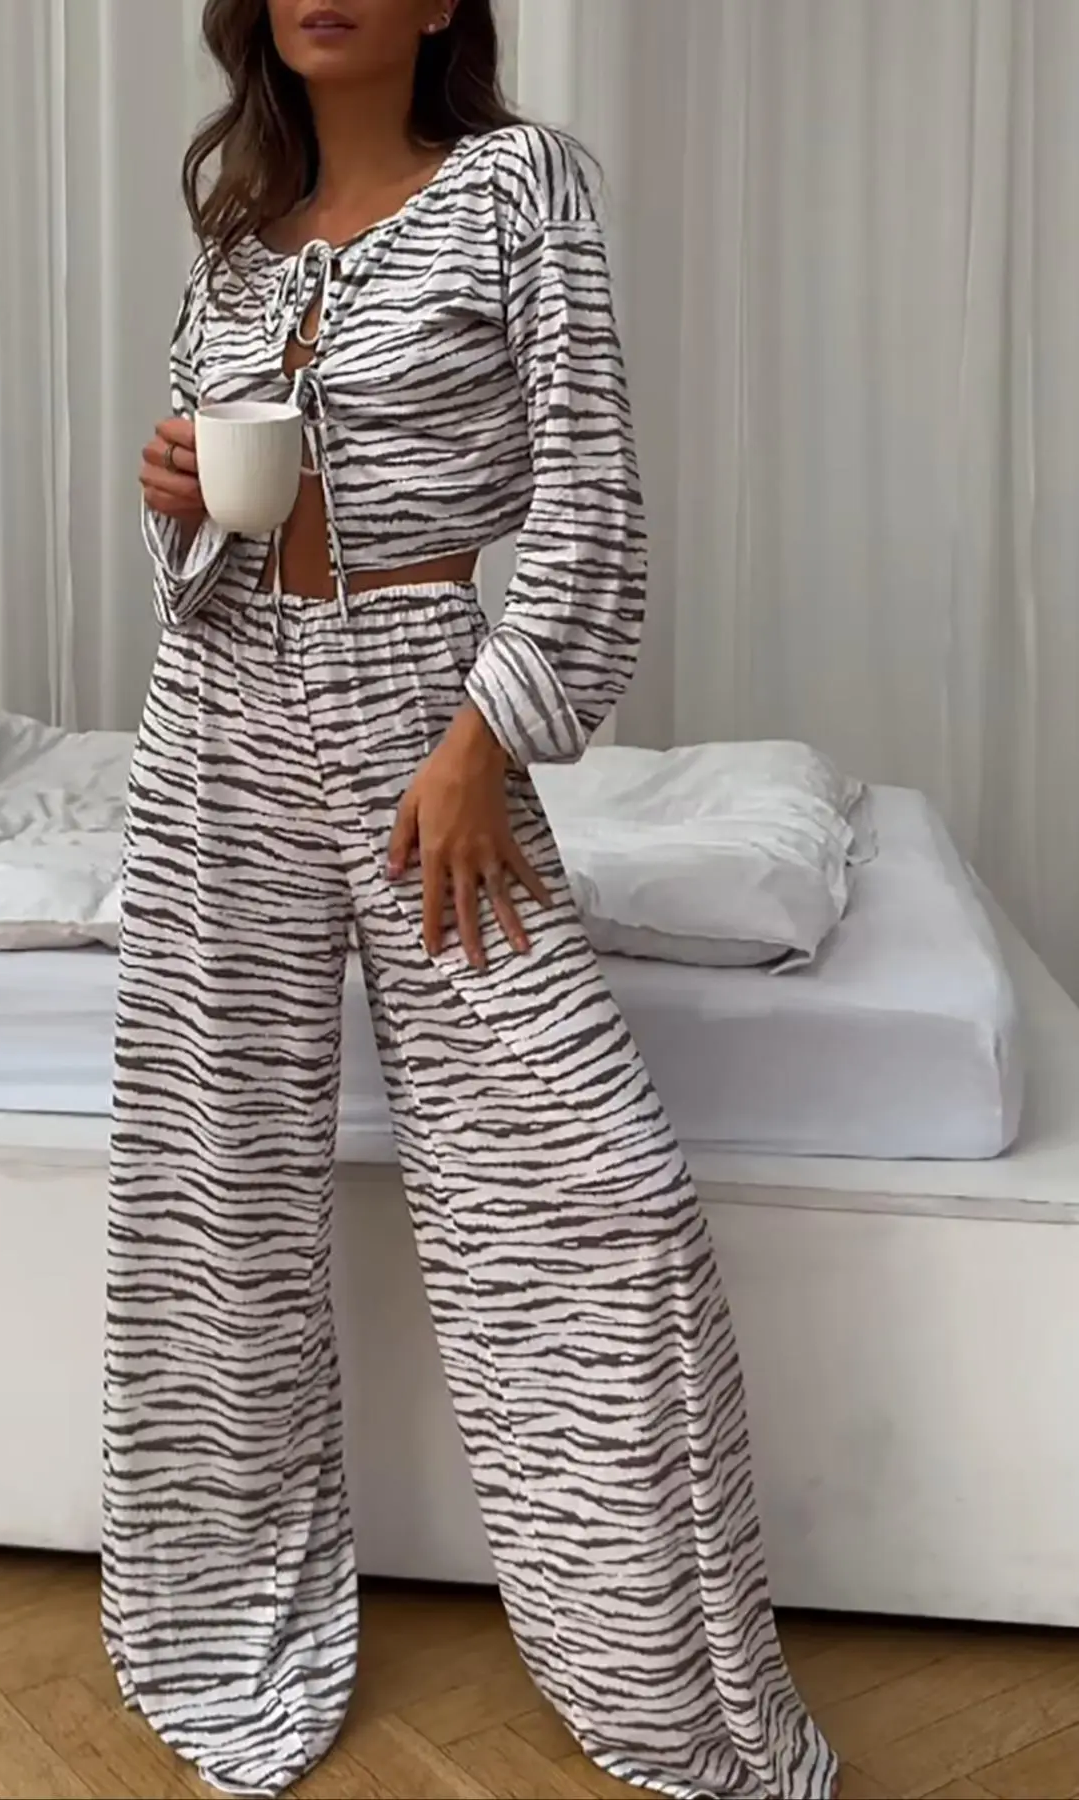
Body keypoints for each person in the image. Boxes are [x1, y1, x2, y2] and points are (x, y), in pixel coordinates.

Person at [105, 1, 838, 1795]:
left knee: (590, 1196)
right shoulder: (235, 239)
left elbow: (591, 501)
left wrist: (480, 737)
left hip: (422, 707)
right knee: (210, 1197)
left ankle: (673, 1697)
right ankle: (211, 1623)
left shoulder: (519, 188)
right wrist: (177, 494)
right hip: (214, 721)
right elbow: (202, 548)